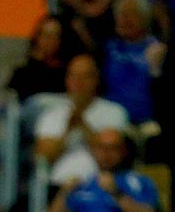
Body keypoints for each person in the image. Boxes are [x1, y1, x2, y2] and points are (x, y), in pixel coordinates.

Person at [34, 55, 132, 188]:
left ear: (96, 80)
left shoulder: (115, 112)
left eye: (85, 76)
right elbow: (43, 158)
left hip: (102, 187)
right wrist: (67, 130)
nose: (78, 82)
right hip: (58, 186)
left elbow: (113, 155)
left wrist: (83, 126)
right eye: (73, 76)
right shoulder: (51, 115)